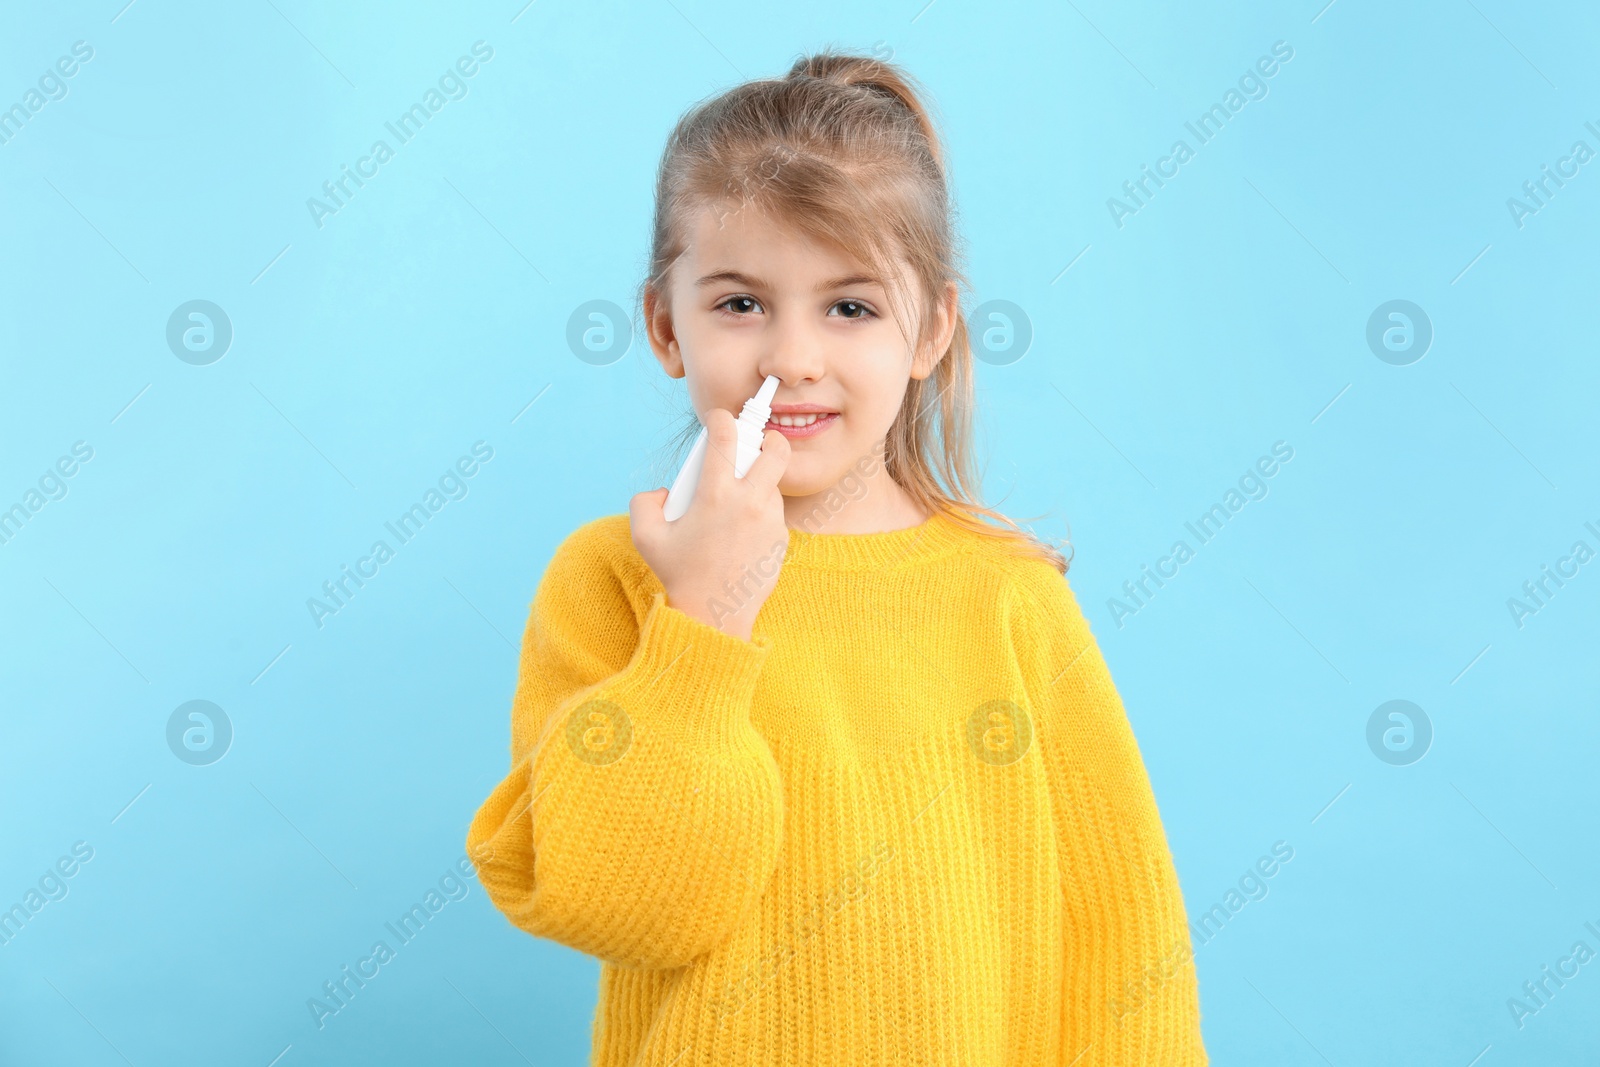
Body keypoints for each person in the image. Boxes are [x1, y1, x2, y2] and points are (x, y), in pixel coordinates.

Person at [465, 47, 1208, 1066]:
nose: (792, 357)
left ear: (930, 328)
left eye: (849, 305)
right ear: (663, 326)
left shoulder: (1009, 597)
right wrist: (705, 618)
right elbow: (626, 906)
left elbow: (1122, 944)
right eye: (739, 303)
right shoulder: (615, 579)